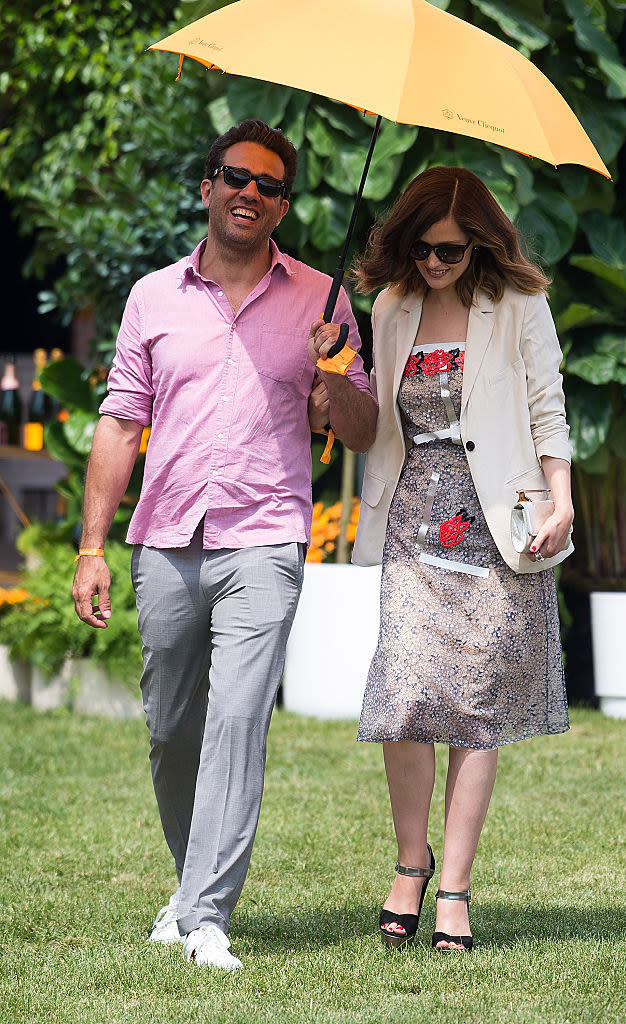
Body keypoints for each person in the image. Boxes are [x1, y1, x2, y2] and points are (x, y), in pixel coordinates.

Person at [72, 119, 377, 971]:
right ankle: (189, 883)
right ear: (206, 186)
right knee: (172, 729)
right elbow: (121, 421)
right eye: (236, 177)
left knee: (238, 722)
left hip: (265, 537)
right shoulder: (151, 298)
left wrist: (329, 368)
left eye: (270, 186)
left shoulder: (321, 298)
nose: (251, 193)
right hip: (166, 537)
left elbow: (356, 429)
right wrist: (92, 548)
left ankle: (206, 915)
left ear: (284, 207)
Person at [349, 166, 574, 952]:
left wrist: (563, 498)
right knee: (405, 691)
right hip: (412, 514)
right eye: (418, 248)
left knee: (475, 705)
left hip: (498, 520)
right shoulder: (388, 306)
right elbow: (372, 417)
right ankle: (410, 863)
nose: (432, 262)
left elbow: (547, 407)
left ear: (478, 243)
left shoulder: (517, 306)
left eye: (447, 249)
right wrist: (328, 371)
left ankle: (453, 889)